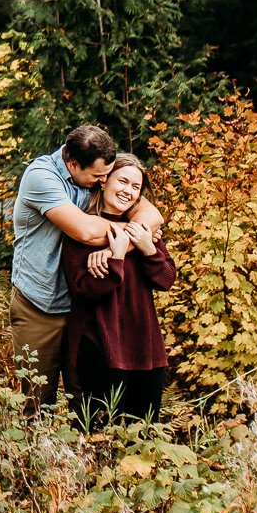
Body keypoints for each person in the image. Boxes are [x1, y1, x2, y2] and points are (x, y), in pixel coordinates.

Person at [9, 123, 163, 406]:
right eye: (98, 176)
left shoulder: (95, 171)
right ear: (73, 163)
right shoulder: (42, 177)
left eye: (108, 174)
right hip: (41, 304)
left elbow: (151, 212)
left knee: (86, 398)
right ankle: (35, 449)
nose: (104, 181)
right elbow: (83, 230)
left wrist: (131, 242)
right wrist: (128, 241)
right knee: (36, 398)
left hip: (83, 307)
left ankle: (83, 450)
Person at [61, 153, 176, 423]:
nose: (128, 191)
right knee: (100, 432)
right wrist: (116, 258)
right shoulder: (84, 229)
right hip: (100, 345)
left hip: (144, 345)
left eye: (135, 187)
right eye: (122, 181)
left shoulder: (143, 230)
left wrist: (149, 249)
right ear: (104, 182)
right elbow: (83, 291)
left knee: (145, 433)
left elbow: (166, 279)